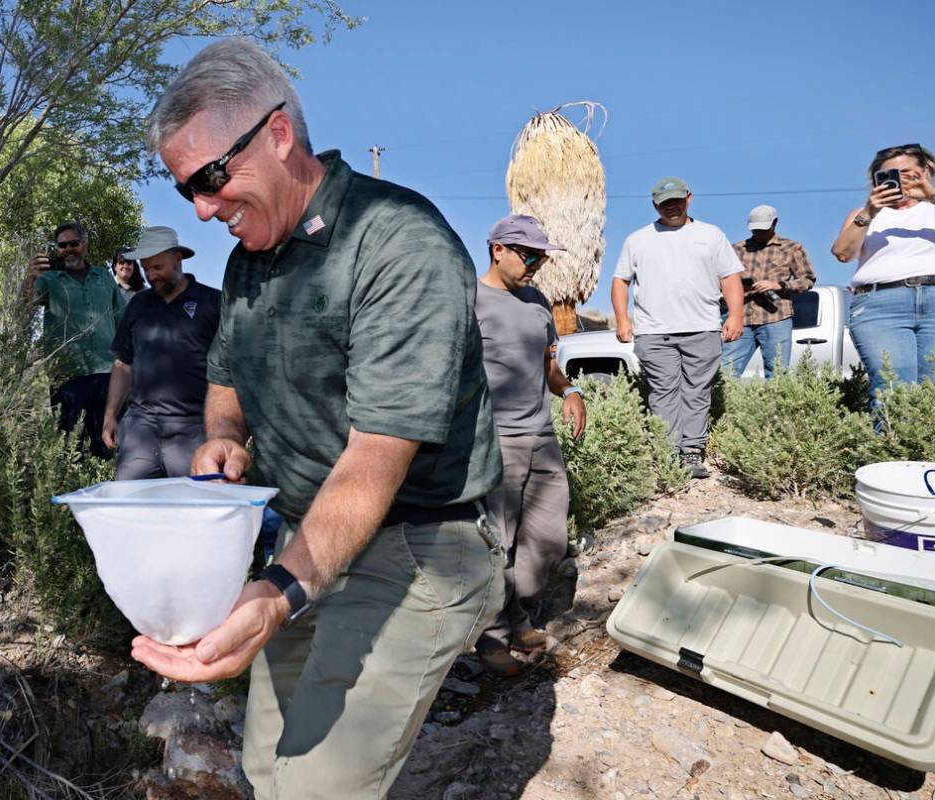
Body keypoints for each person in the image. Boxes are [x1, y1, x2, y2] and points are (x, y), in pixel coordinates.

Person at [130, 39, 503, 800]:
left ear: (277, 134)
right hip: (307, 539)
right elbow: (226, 377)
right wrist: (224, 437)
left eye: (210, 178)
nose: (203, 209)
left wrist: (276, 595)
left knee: (314, 789)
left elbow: (376, 457)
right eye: (185, 192)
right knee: (265, 771)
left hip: (421, 544)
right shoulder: (248, 258)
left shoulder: (399, 242)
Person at [473, 214, 586, 678]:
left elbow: (548, 365)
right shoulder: (467, 300)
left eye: (542, 255)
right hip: (495, 441)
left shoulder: (538, 301)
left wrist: (570, 391)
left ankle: (517, 615)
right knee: (496, 543)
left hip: (541, 437)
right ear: (497, 248)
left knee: (546, 541)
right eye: (529, 254)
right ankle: (493, 636)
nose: (537, 264)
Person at [611, 177, 744, 479]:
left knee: (697, 391)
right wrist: (622, 319)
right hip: (654, 331)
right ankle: (668, 452)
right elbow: (620, 280)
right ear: (655, 204)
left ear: (689, 198)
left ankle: (692, 452)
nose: (672, 206)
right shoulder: (637, 239)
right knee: (663, 392)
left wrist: (735, 314)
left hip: (703, 327)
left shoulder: (711, 235)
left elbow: (730, 278)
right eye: (665, 202)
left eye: (677, 200)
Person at [102, 226, 220, 479]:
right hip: (140, 427)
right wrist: (111, 414)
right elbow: (123, 363)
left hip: (194, 426)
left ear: (178, 259)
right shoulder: (138, 304)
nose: (151, 275)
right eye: (146, 268)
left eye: (158, 267)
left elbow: (231, 370)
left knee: (193, 504)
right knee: (130, 502)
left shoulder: (212, 303)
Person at [830, 143, 935, 407]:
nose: (901, 181)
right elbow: (843, 253)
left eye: (908, 173)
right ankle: (889, 448)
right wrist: (869, 211)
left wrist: (932, 195)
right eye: (890, 174)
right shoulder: (864, 215)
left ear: (926, 171)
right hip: (880, 305)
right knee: (891, 385)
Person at [23, 221, 125, 458]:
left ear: (84, 245)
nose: (68, 249)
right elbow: (25, 309)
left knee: (108, 447)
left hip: (107, 374)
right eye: (62, 245)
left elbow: (122, 318)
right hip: (66, 375)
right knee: (69, 448)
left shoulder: (103, 276)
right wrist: (29, 278)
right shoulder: (48, 280)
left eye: (73, 243)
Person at [721, 205, 817, 378]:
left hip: (776, 319)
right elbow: (722, 281)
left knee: (778, 373)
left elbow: (808, 280)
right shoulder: (737, 249)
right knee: (726, 371)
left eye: (763, 228)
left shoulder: (792, 248)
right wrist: (742, 286)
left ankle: (774, 405)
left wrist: (779, 285)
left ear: (775, 223)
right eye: (755, 229)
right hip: (741, 319)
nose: (759, 232)